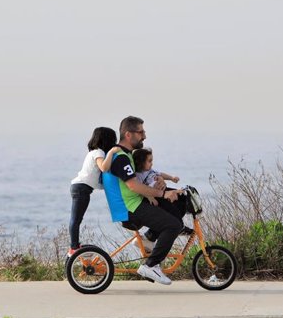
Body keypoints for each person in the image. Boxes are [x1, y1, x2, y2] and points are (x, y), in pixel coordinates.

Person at [102, 116, 183, 285]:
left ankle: (149, 238)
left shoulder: (127, 155)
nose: (144, 136)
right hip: (130, 208)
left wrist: (162, 184)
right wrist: (162, 195)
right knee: (173, 225)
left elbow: (143, 179)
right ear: (128, 134)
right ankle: (151, 265)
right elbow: (133, 186)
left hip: (137, 202)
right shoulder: (122, 157)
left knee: (179, 201)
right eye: (141, 132)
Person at [67, 127, 120, 259]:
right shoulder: (99, 152)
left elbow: (99, 179)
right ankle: (74, 248)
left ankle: (75, 246)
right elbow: (104, 167)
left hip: (81, 188)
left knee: (77, 218)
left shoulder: (95, 152)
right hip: (81, 188)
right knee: (76, 219)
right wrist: (112, 152)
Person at [132, 147, 191, 238]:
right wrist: (149, 197)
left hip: (163, 190)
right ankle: (180, 227)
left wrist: (171, 178)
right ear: (141, 162)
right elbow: (139, 189)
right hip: (156, 196)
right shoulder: (138, 175)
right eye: (149, 161)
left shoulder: (150, 170)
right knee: (171, 208)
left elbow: (160, 174)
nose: (152, 163)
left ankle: (182, 216)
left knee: (182, 197)